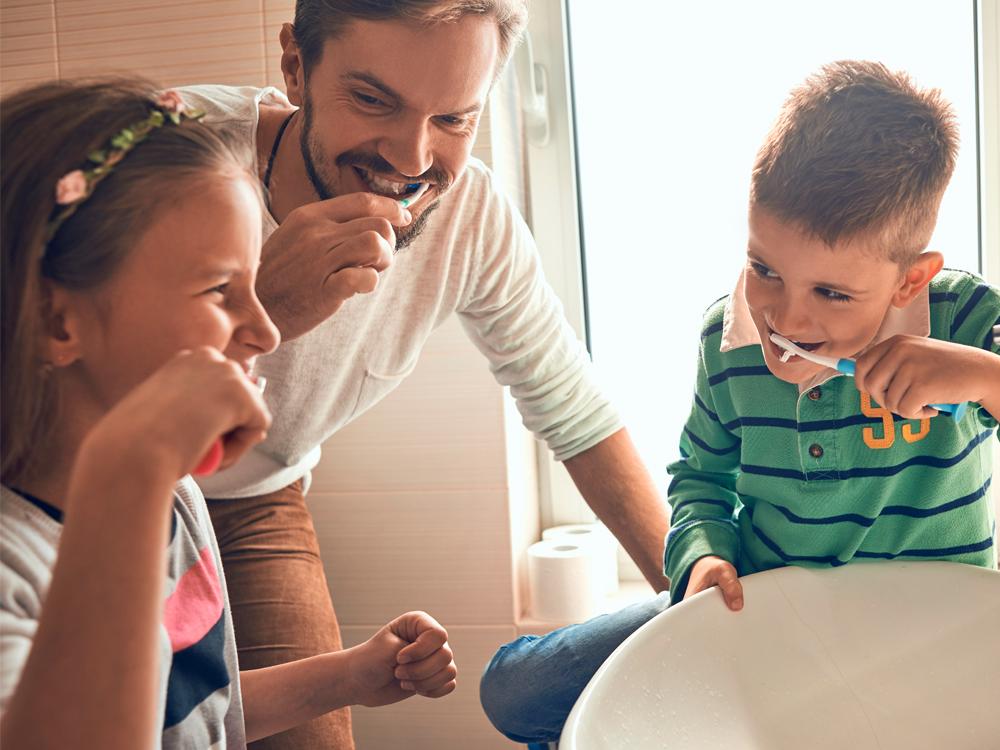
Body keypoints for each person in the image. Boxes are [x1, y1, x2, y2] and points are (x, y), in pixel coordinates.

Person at [179, 2, 671, 746]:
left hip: (253, 496)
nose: (412, 159)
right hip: (83, 491)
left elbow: (574, 412)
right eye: (373, 100)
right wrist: (260, 307)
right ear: (295, 67)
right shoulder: (172, 160)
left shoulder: (470, 218)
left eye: (454, 120)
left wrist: (690, 596)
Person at [478, 60, 1000, 744]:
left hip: (929, 628)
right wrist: (701, 554)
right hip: (763, 609)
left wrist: (981, 376)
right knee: (514, 690)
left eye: (832, 294)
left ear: (911, 282)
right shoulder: (726, 343)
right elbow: (700, 477)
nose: (786, 316)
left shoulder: (964, 316)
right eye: (765, 269)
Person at [0, 79, 457, 750]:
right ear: (56, 319)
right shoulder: (19, 565)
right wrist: (130, 475)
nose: (266, 332)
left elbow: (186, 704)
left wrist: (350, 676)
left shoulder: (176, 500)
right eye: (220, 290)